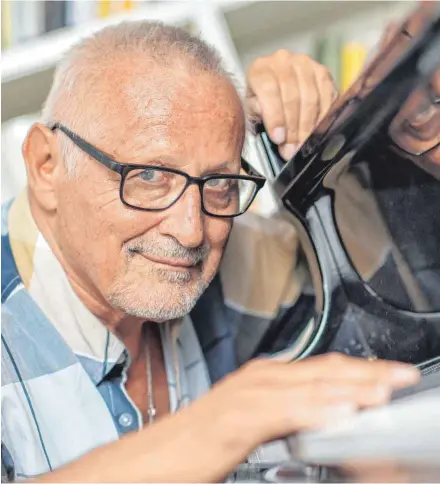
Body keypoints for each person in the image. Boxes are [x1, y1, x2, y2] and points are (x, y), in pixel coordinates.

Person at [1, 20, 420, 483]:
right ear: (45, 167)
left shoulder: (234, 260)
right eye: (149, 177)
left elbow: (388, 272)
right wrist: (221, 424)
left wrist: (349, 124)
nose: (190, 232)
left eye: (219, 184)